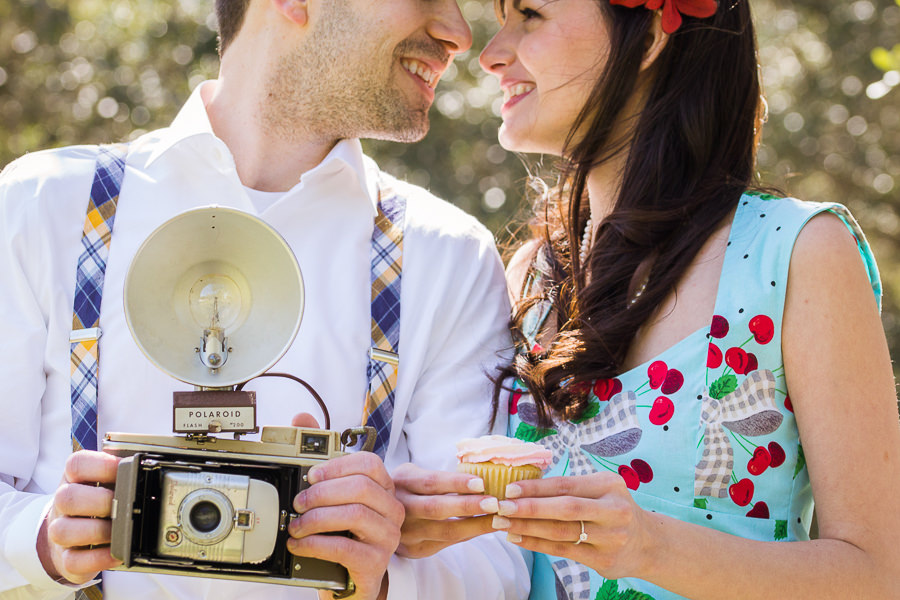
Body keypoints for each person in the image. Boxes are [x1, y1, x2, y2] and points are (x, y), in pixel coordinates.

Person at [0, 0, 530, 599]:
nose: (458, 34)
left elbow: (498, 568)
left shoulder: (449, 256)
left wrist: (382, 581)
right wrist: (40, 539)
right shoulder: (42, 208)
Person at [394, 0, 900, 598]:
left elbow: (876, 576)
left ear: (652, 34)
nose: (490, 53)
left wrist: (647, 546)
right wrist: (426, 531)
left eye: (530, 13)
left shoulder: (798, 254)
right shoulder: (531, 276)